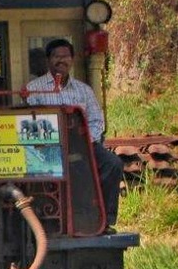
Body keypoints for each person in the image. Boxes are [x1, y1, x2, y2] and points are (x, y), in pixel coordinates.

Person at [24, 38, 123, 229]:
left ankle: (104, 219)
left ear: (72, 59)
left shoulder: (84, 90)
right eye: (56, 57)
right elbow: (29, 124)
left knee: (113, 164)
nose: (61, 60)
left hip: (83, 143)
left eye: (65, 56)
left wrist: (87, 142)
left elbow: (96, 120)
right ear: (48, 60)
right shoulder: (33, 89)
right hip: (47, 148)